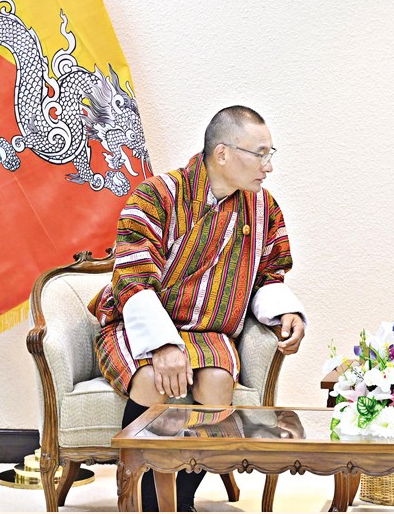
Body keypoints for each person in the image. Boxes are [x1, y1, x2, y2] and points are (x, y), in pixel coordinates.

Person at [91, 105, 306, 511]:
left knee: (217, 383)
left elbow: (269, 275)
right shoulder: (157, 195)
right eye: (260, 154)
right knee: (155, 381)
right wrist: (163, 345)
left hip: (208, 329)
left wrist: (285, 313)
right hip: (138, 321)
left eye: (270, 154)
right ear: (223, 153)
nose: (268, 167)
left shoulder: (263, 209)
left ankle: (180, 502)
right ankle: (140, 502)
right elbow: (132, 278)